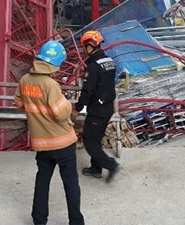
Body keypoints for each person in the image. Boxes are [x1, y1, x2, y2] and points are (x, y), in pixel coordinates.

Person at [14, 40, 85, 225]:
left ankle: (39, 220)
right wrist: (68, 102)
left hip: (41, 143)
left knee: (42, 181)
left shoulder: (25, 81)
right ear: (53, 64)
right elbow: (62, 114)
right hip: (62, 142)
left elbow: (20, 104)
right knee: (70, 183)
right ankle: (76, 221)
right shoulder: (50, 85)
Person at [74, 30, 120, 182]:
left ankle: (111, 165)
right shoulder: (109, 62)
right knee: (96, 138)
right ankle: (96, 169)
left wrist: (79, 106)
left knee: (89, 140)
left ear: (89, 47)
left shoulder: (93, 66)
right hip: (107, 107)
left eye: (84, 47)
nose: (84, 51)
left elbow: (88, 89)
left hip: (97, 110)